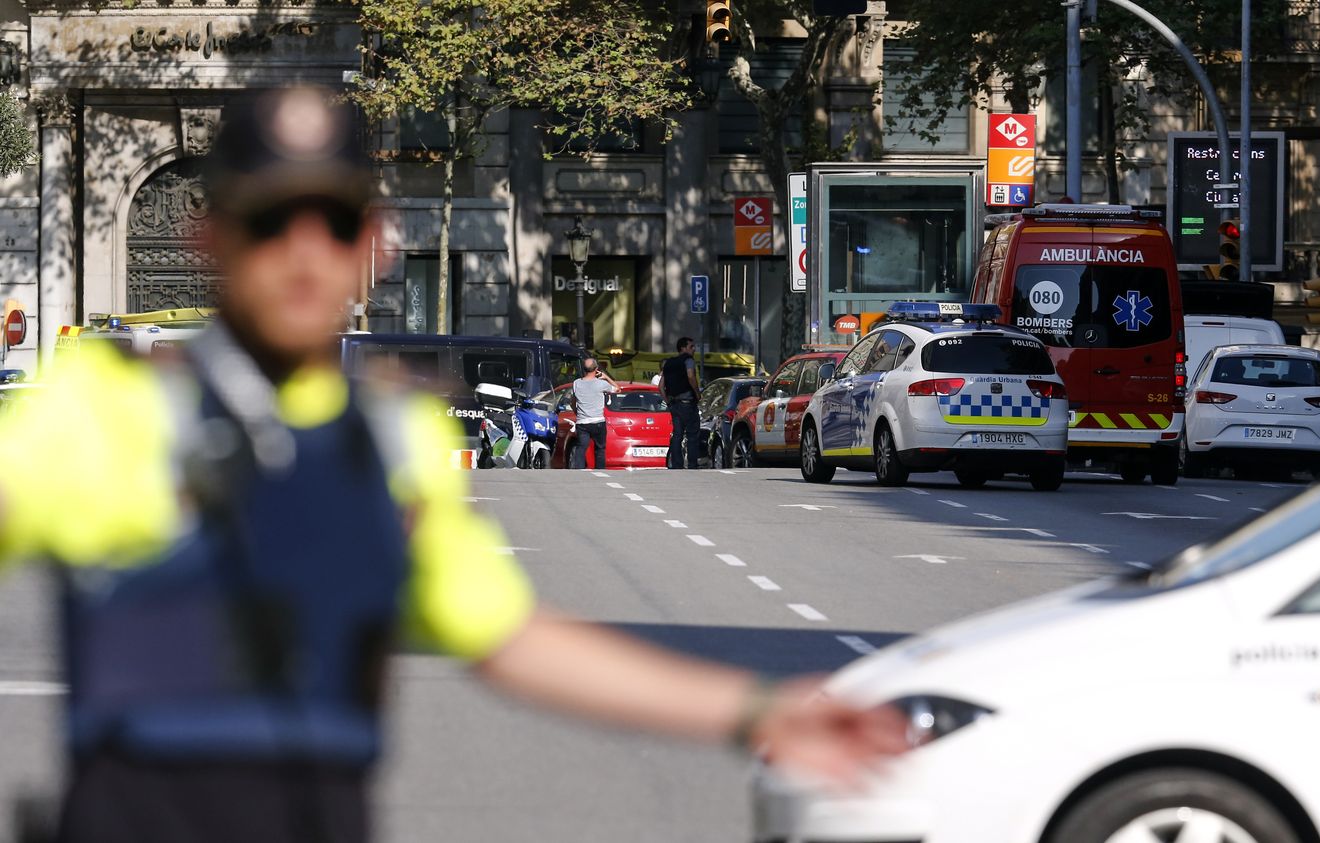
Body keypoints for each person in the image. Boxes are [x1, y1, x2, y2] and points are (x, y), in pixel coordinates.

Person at [0, 88, 904, 843]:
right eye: (271, 218)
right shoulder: (105, 408)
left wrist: (756, 711)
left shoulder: (394, 440)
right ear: (214, 239)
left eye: (334, 217)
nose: (305, 250)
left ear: (374, 240)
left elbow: (511, 639)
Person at [571, 356, 619, 469]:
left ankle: (579, 471)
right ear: (596, 369)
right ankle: (600, 470)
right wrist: (606, 377)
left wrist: (577, 413)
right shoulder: (601, 384)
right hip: (598, 421)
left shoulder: (576, 383)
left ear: (583, 369)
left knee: (581, 447)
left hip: (582, 422)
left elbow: (572, 402)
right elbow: (617, 389)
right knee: (600, 449)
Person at [660, 336, 701, 469]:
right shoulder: (688, 360)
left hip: (674, 404)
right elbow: (690, 376)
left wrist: (668, 401)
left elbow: (660, 386)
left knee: (677, 434)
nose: (694, 349)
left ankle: (677, 464)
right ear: (683, 348)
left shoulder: (668, 363)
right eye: (691, 347)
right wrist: (697, 393)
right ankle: (692, 464)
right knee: (692, 434)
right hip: (687, 403)